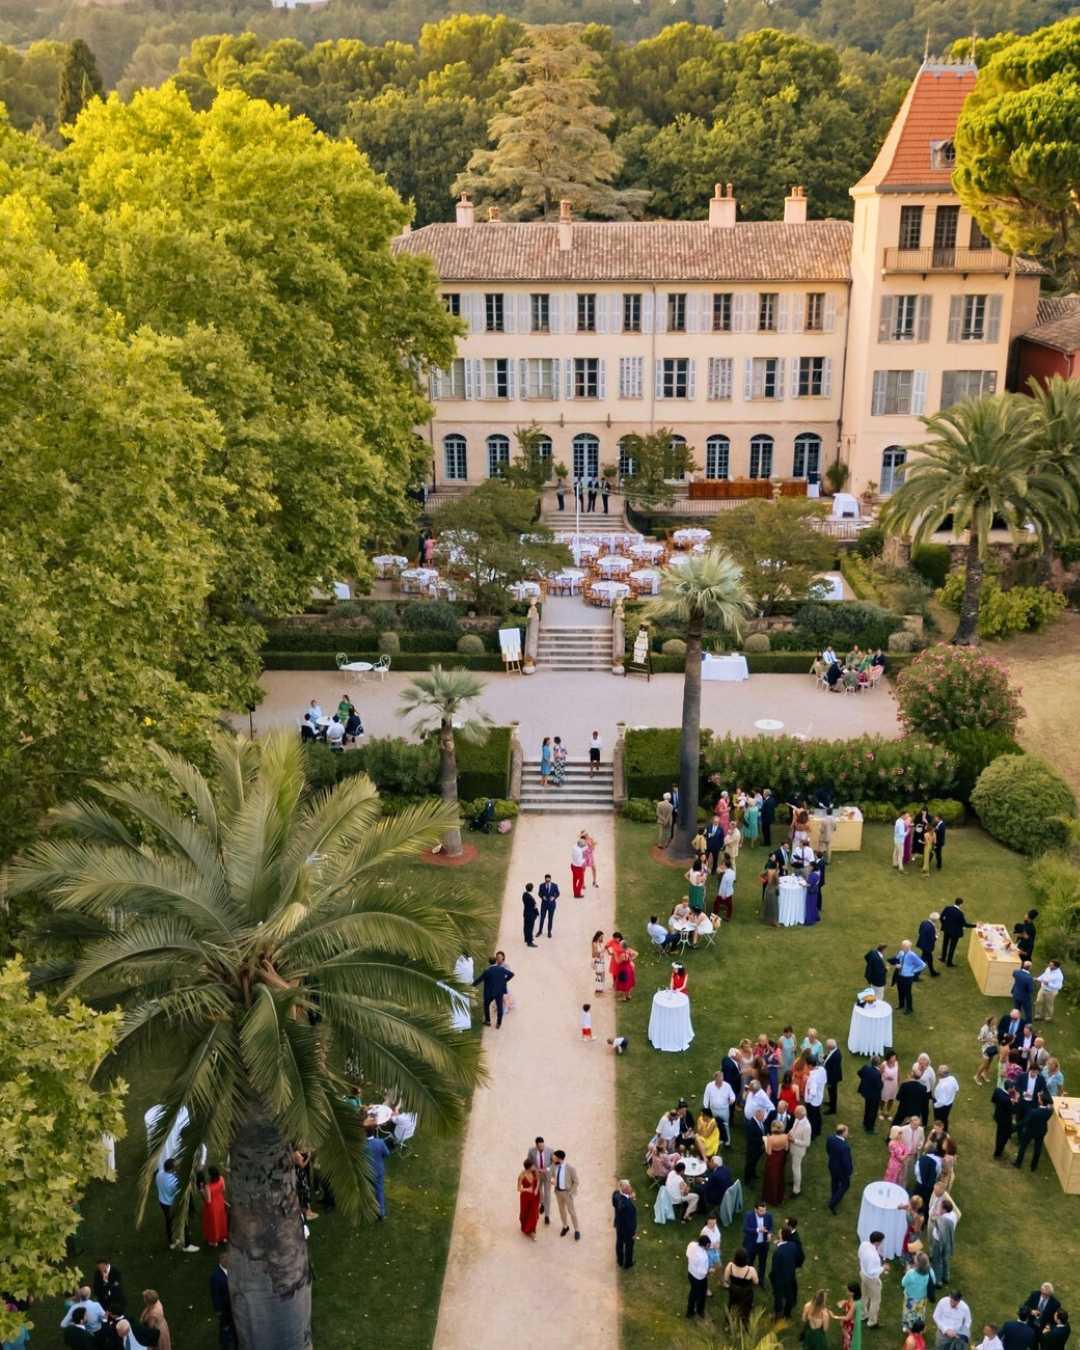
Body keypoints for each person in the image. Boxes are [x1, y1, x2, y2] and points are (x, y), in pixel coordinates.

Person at [155, 1158, 197, 1253]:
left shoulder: (159, 1174)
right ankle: (187, 1244)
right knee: (183, 1221)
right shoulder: (173, 1182)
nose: (177, 1167)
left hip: (162, 1202)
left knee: (168, 1222)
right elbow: (181, 1192)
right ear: (171, 1169)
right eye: (175, 1166)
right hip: (171, 1204)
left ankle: (171, 1242)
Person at [771, 1226, 805, 1319]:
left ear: (782, 1236)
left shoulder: (778, 1252)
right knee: (789, 1294)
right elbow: (798, 1257)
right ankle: (787, 1313)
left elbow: (775, 1269)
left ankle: (777, 1314)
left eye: (779, 1233)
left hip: (780, 1278)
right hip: (790, 1275)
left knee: (778, 1297)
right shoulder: (793, 1245)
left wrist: (772, 1278)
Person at [473, 952, 514, 1029]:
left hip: (489, 992)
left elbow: (479, 980)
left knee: (486, 1005)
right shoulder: (502, 969)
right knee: (499, 1007)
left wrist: (472, 985)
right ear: (495, 961)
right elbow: (512, 974)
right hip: (499, 992)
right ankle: (498, 1023)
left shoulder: (487, 971)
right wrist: (504, 980)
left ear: (489, 962)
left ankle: (488, 1021)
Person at [1014, 1092, 1053, 1172]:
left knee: (1023, 1147)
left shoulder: (1033, 1112)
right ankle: (1033, 1166)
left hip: (1030, 1131)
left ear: (1041, 1101)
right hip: (1041, 1131)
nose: (1038, 1098)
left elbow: (1025, 1121)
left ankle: (1018, 1163)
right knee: (1037, 1149)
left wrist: (1016, 1126)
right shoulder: (1049, 1111)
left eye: (1039, 1098)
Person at [858, 1232, 888, 1329]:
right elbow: (872, 1272)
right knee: (875, 1301)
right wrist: (883, 1268)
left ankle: (863, 1314)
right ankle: (872, 1321)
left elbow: (859, 1255)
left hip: (863, 1274)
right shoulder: (873, 1256)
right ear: (877, 1242)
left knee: (864, 1295)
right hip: (871, 1279)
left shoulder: (864, 1244)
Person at [549, 1150, 580, 1239]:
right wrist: (552, 1180)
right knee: (561, 1210)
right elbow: (552, 1176)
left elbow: (576, 1182)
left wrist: (571, 1193)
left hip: (567, 1193)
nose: (553, 1158)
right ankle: (565, 1226)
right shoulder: (554, 1166)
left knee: (571, 1211)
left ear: (559, 1158)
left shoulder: (570, 1168)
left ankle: (577, 1229)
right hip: (558, 1192)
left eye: (554, 1157)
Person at [724, 1247, 760, 1323]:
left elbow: (726, 1279)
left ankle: (729, 1322)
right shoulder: (751, 1270)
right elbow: (756, 1282)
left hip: (733, 1291)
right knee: (745, 1309)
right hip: (746, 1294)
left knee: (732, 1306)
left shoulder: (730, 1266)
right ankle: (744, 1323)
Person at [892, 941, 928, 1015]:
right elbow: (897, 959)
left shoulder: (912, 955)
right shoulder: (901, 952)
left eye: (903, 946)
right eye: (902, 946)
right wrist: (897, 964)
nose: (901, 947)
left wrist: (913, 971)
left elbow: (922, 965)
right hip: (900, 975)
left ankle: (909, 1009)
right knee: (900, 990)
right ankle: (901, 1005)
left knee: (907, 993)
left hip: (907, 977)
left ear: (908, 947)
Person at [742, 1201, 773, 1280]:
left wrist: (769, 1233)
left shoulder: (768, 1215)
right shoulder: (749, 1215)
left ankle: (761, 1280)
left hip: (763, 1245)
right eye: (761, 1211)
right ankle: (749, 1278)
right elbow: (745, 1229)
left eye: (764, 1210)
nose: (763, 1213)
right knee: (749, 1262)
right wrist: (758, 1230)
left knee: (762, 1263)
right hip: (751, 1244)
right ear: (755, 1210)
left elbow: (770, 1227)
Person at [704, 1071, 737, 1147]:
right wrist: (706, 1109)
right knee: (715, 1125)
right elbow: (706, 1097)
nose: (720, 1082)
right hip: (713, 1110)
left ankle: (727, 1140)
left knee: (725, 1125)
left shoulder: (727, 1086)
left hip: (724, 1110)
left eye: (721, 1079)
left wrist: (732, 1099)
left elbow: (732, 1095)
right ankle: (720, 1139)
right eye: (718, 1080)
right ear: (715, 1079)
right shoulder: (709, 1086)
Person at [826, 1123, 854, 1213]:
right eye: (847, 1131)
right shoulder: (845, 1147)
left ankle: (834, 1195)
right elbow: (846, 1162)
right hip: (841, 1170)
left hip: (832, 1165)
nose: (848, 1133)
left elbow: (828, 1149)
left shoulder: (830, 1138)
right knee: (845, 1185)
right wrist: (849, 1172)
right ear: (842, 1133)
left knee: (834, 1181)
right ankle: (833, 1203)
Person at [939, 899, 975, 968]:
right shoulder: (960, 913)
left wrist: (944, 924)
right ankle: (949, 962)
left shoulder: (947, 908)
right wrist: (975, 925)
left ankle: (943, 958)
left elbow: (941, 918)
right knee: (952, 947)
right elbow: (965, 924)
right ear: (961, 904)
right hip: (955, 933)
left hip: (947, 930)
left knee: (945, 944)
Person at [902, 1255, 933, 1332]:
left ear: (918, 1264)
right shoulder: (930, 1272)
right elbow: (933, 1282)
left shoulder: (911, 1273)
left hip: (911, 1298)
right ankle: (919, 1327)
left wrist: (907, 1271)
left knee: (908, 1312)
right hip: (922, 1298)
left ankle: (907, 1326)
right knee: (920, 1312)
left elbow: (903, 1283)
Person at [209, 1253, 234, 1348]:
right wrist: (218, 1310)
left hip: (233, 1305)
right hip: (224, 1308)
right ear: (221, 1262)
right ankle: (225, 1344)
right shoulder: (215, 1276)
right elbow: (215, 1294)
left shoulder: (232, 1270)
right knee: (225, 1327)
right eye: (227, 1261)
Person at [200, 1165, 229, 1247]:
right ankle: (222, 1237)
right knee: (221, 1220)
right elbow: (223, 1189)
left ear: (210, 1175)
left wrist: (202, 1190)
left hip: (212, 1206)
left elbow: (208, 1200)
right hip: (220, 1202)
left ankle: (214, 1241)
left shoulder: (208, 1186)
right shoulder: (222, 1179)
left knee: (213, 1223)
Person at [762, 1120, 789, 1203]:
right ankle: (779, 1196)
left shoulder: (770, 1138)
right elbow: (786, 1148)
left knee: (771, 1178)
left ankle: (771, 1197)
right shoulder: (785, 1136)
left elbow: (769, 1152)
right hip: (781, 1157)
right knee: (779, 1176)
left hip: (772, 1159)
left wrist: (766, 1143)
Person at [787, 1105, 812, 1195]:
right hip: (792, 1147)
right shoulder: (797, 1119)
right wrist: (789, 1133)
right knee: (793, 1167)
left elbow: (807, 1143)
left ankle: (796, 1190)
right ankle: (794, 1181)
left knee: (796, 1169)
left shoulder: (807, 1127)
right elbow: (794, 1128)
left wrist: (794, 1140)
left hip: (798, 1151)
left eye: (796, 1113)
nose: (794, 1114)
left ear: (801, 1115)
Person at [527, 1138, 553, 1224]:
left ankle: (547, 1216)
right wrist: (535, 1170)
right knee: (539, 1191)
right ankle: (542, 1203)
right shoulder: (531, 1151)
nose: (542, 1147)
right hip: (537, 1174)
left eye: (543, 1145)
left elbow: (554, 1163)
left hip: (547, 1175)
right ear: (536, 1146)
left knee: (547, 1194)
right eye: (540, 1146)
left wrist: (547, 1169)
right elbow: (529, 1162)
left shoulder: (550, 1150)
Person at [612, 1180, 637, 1269]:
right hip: (627, 1229)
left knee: (619, 1243)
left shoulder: (615, 1194)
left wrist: (629, 1197)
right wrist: (634, 1232)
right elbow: (631, 1222)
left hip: (619, 1225)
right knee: (629, 1246)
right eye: (629, 1186)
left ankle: (620, 1261)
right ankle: (628, 1263)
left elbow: (618, 1203)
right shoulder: (628, 1206)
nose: (631, 1187)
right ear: (626, 1189)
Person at [991, 1084, 1020, 1159]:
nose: (1014, 1089)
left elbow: (993, 1100)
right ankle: (997, 1154)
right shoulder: (1007, 1099)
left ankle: (998, 1151)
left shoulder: (998, 1090)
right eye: (1013, 1088)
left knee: (999, 1134)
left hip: (998, 1116)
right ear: (1009, 1089)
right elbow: (1013, 1111)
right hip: (1005, 1121)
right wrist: (1016, 1101)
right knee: (1003, 1137)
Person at [686, 1235, 711, 1318]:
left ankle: (690, 1311)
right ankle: (700, 1311)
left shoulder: (692, 1244)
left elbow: (687, 1254)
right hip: (699, 1278)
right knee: (701, 1294)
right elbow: (702, 1272)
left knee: (693, 1292)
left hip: (690, 1273)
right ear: (706, 1245)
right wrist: (709, 1271)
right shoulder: (703, 1256)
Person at [857, 1056, 883, 1134]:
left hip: (866, 1093)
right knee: (873, 1111)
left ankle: (865, 1122)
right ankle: (869, 1128)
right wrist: (882, 1083)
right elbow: (879, 1086)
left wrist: (865, 1080)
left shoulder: (866, 1068)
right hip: (874, 1095)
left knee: (867, 1108)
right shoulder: (877, 1073)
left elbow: (859, 1073)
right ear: (878, 1063)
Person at [517, 1157, 541, 1239]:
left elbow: (538, 1181)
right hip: (525, 1197)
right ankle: (526, 1228)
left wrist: (537, 1190)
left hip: (535, 1196)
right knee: (525, 1213)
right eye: (533, 1165)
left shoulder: (535, 1172)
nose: (535, 1166)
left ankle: (532, 1231)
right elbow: (518, 1189)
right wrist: (527, 1189)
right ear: (529, 1167)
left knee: (534, 1213)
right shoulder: (521, 1175)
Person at [804, 1055, 827, 1138]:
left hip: (812, 1101)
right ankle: (818, 1129)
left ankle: (813, 1134)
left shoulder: (813, 1077)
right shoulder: (822, 1069)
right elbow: (824, 1080)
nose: (806, 1065)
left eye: (806, 1064)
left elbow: (812, 1092)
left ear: (810, 1065)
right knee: (817, 1115)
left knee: (812, 1118)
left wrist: (808, 1100)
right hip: (819, 1097)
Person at [838, 1281, 863, 1350]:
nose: (847, 1291)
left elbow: (848, 1317)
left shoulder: (855, 1304)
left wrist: (835, 1317)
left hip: (850, 1324)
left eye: (848, 1290)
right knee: (845, 1336)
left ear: (853, 1292)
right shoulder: (852, 1298)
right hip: (847, 1321)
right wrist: (845, 1302)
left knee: (848, 1338)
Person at [1011, 962, 1036, 1026]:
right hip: (1024, 997)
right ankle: (1028, 1023)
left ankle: (1015, 1019)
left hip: (1016, 993)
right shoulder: (1029, 978)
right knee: (1027, 1010)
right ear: (1030, 968)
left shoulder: (1016, 972)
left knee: (1016, 1008)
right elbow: (1031, 990)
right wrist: (1032, 982)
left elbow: (1014, 975)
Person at [918, 913, 941, 978]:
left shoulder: (924, 922)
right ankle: (915, 975)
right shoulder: (931, 928)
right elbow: (932, 939)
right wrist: (936, 936)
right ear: (935, 920)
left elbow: (919, 931)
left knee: (929, 959)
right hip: (927, 947)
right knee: (923, 960)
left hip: (922, 944)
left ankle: (932, 972)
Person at [538, 875, 559, 939]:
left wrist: (554, 898)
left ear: (550, 879)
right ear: (545, 880)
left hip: (552, 905)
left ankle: (549, 932)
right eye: (546, 880)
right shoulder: (541, 885)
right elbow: (539, 893)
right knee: (542, 919)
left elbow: (558, 893)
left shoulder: (554, 885)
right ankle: (540, 931)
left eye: (548, 880)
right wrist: (542, 897)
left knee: (550, 919)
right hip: (544, 905)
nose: (547, 881)